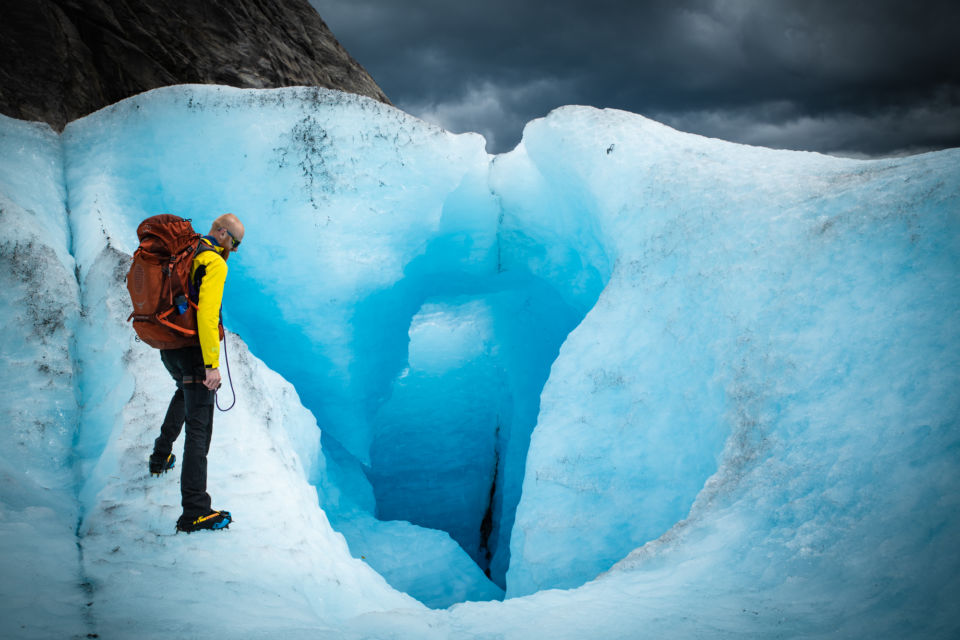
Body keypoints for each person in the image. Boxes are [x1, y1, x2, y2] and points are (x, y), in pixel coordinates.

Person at [148, 213, 245, 533]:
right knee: (199, 431)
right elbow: (206, 317)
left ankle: (160, 457)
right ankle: (195, 511)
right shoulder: (214, 263)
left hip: (169, 346)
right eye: (235, 241)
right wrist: (211, 366)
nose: (235, 248)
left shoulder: (185, 254)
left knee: (182, 392)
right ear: (222, 233)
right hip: (193, 352)